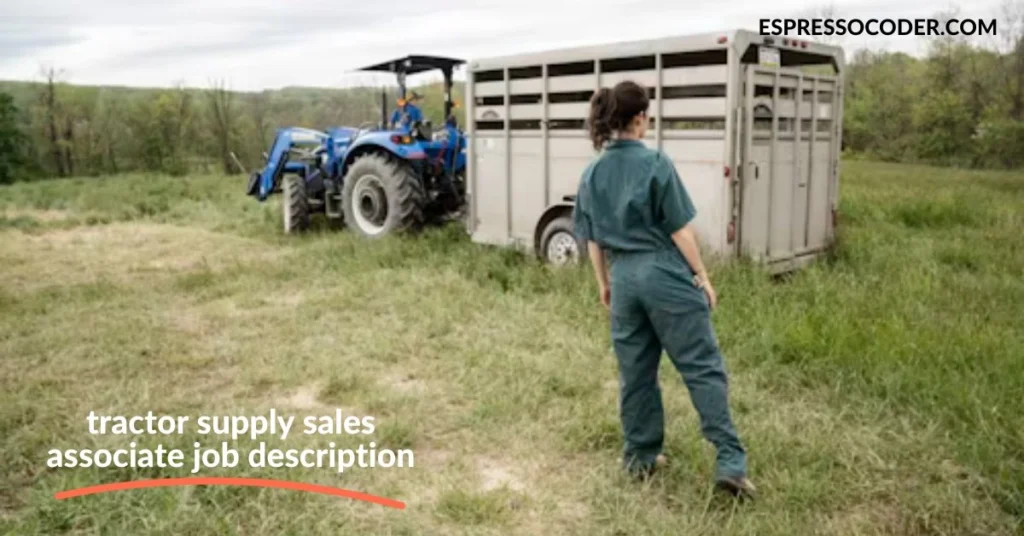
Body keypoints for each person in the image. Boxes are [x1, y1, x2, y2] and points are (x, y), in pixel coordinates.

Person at [572, 81, 756, 498]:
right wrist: (703, 277)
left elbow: (593, 239)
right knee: (701, 366)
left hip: (624, 280)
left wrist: (605, 285)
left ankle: (640, 457)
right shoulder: (655, 162)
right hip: (663, 271)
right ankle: (730, 462)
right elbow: (679, 231)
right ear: (639, 118)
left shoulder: (593, 171)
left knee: (635, 373)